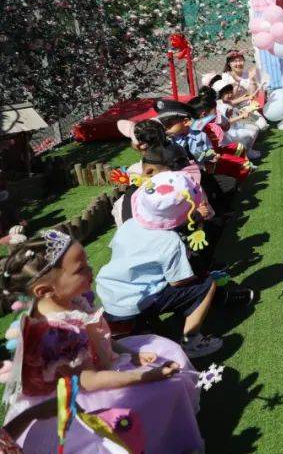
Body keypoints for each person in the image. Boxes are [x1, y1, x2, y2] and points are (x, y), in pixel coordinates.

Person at [0, 230, 204, 453]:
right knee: (159, 393)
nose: (91, 270)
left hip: (101, 365)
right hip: (83, 393)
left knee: (167, 354)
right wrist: (143, 376)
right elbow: (88, 380)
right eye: (81, 269)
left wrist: (129, 352)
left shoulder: (69, 300)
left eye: (87, 262)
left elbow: (96, 336)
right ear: (46, 290)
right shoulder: (55, 334)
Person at [95, 171, 228, 357]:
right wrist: (199, 275)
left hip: (109, 297)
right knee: (205, 285)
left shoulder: (129, 225)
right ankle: (192, 341)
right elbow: (177, 282)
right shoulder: (170, 240)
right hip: (136, 303)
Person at [222, 50, 268, 130]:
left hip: (247, 106)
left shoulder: (247, 74)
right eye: (235, 61)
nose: (238, 63)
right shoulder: (226, 77)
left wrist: (252, 80)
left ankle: (248, 121)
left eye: (240, 60)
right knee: (246, 129)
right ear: (229, 63)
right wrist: (237, 82)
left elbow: (254, 95)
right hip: (231, 108)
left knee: (263, 126)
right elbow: (226, 100)